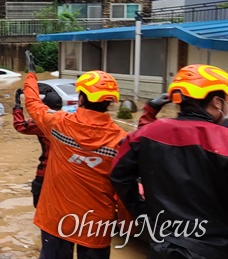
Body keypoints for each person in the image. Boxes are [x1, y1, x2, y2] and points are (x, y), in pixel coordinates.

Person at [111, 64, 228, 259]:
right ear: (217, 102)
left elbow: (118, 175)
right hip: (214, 249)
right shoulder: (223, 140)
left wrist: (142, 214)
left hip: (163, 245)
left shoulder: (147, 134)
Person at [22, 51, 127, 259]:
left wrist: (31, 75)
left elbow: (33, 104)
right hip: (97, 223)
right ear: (110, 103)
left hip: (56, 217)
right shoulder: (122, 141)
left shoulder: (59, 124)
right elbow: (125, 186)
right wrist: (127, 223)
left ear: (80, 98)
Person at [12, 88, 63, 208]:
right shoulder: (68, 120)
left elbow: (20, 125)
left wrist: (18, 108)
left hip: (46, 170)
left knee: (39, 203)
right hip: (65, 170)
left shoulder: (42, 123)